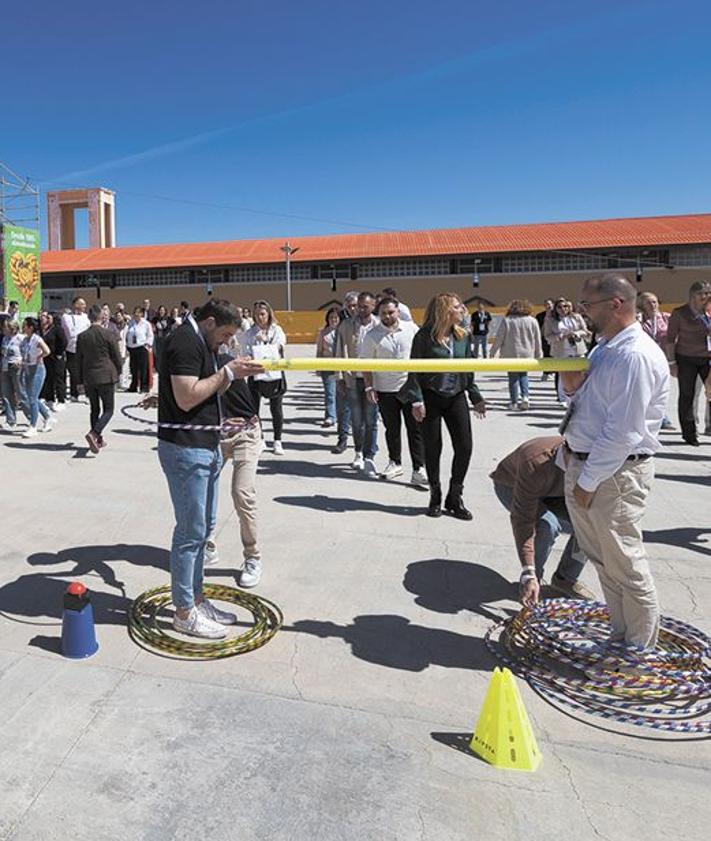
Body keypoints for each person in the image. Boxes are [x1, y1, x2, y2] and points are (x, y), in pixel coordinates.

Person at [560, 273, 669, 660]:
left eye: (588, 305)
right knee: (605, 562)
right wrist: (570, 385)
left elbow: (623, 431)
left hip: (613, 474)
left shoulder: (634, 354)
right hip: (586, 465)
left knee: (626, 563)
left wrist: (588, 481)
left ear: (616, 304)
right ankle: (621, 636)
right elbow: (586, 402)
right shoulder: (605, 347)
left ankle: (639, 650)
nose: (582, 312)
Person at [157, 298, 263, 639]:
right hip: (186, 450)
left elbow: (208, 390)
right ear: (210, 322)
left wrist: (232, 374)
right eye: (225, 334)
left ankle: (197, 599)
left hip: (205, 446)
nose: (226, 341)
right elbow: (187, 396)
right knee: (190, 532)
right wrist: (227, 372)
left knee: (202, 532)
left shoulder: (200, 340)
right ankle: (184, 612)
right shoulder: (186, 341)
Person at [405, 292, 487, 519]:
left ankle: (455, 495)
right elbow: (414, 371)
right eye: (458, 306)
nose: (462, 310)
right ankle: (435, 494)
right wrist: (416, 400)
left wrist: (475, 396)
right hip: (431, 397)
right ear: (445, 311)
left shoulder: (463, 336)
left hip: (456, 396)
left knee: (465, 446)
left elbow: (467, 369)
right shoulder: (423, 337)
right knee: (433, 448)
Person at [490, 436, 594, 604]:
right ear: (567, 454)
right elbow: (523, 521)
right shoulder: (535, 462)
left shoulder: (593, 463)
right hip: (511, 485)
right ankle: (532, 582)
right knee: (547, 525)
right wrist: (528, 570)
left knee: (590, 524)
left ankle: (565, 579)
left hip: (556, 491)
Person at [205, 350, 263, 587]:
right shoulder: (191, 365)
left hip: (245, 434)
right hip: (213, 436)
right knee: (203, 490)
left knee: (242, 494)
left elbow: (217, 387)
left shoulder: (225, 362)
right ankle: (208, 545)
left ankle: (253, 557)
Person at [361, 296, 426, 485]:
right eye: (383, 313)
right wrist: (369, 386)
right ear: (378, 314)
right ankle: (395, 462)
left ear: (398, 311)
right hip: (384, 389)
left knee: (415, 429)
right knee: (392, 429)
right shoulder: (371, 335)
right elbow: (365, 363)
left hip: (410, 388)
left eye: (391, 312)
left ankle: (418, 468)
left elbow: (422, 357)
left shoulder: (411, 329)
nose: (388, 316)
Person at [334, 291, 380, 475]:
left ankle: (370, 456)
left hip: (374, 380)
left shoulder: (379, 325)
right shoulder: (347, 325)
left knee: (371, 420)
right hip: (353, 379)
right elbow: (339, 350)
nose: (360, 309)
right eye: (358, 306)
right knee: (357, 419)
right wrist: (340, 377)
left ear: (373, 306)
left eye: (364, 306)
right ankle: (358, 452)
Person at [665, 280, 711, 446]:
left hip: (708, 359)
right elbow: (670, 339)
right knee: (687, 395)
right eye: (702, 293)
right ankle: (689, 433)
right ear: (693, 295)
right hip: (686, 358)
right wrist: (672, 362)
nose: (706, 297)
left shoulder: (709, 312)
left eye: (708, 293)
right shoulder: (680, 313)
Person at [242, 300, 288, 455]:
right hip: (256, 374)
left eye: (262, 314)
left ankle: (277, 440)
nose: (260, 317)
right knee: (254, 408)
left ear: (268, 314)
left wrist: (266, 341)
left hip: (274, 374)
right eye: (257, 315)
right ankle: (259, 438)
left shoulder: (277, 330)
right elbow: (246, 350)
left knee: (276, 408)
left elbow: (280, 346)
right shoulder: (249, 332)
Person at [76, 304, 122, 453]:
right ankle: (94, 433)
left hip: (90, 376)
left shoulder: (82, 336)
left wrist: (79, 380)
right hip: (106, 375)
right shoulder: (108, 334)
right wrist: (119, 371)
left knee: (94, 409)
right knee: (109, 409)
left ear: (89, 318)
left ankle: (98, 439)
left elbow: (78, 360)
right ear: (101, 317)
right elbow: (116, 355)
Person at [490, 299, 542, 410]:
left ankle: (513, 402)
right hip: (527, 353)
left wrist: (492, 352)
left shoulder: (507, 320)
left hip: (510, 353)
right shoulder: (532, 320)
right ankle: (525, 397)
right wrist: (539, 354)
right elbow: (537, 339)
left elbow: (499, 338)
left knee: (513, 377)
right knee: (523, 375)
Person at [544, 297, 591, 405]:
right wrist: (560, 336)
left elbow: (585, 331)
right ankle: (563, 398)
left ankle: (580, 396)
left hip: (577, 348)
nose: (563, 309)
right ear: (555, 309)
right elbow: (547, 336)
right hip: (561, 350)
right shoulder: (550, 320)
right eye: (559, 307)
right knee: (563, 375)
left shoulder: (576, 317)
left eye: (565, 306)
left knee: (581, 373)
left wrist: (577, 333)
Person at [638, 292, 674, 430]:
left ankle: (662, 417)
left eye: (654, 301)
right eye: (648, 302)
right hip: (647, 358)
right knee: (649, 389)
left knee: (662, 389)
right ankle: (660, 418)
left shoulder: (667, 318)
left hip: (664, 358)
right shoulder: (640, 321)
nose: (652, 305)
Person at [331, 292, 358, 454]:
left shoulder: (370, 322)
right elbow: (338, 350)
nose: (353, 309)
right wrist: (338, 376)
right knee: (343, 409)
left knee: (363, 412)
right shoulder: (342, 323)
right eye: (350, 306)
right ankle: (342, 439)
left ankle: (363, 446)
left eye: (356, 305)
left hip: (363, 375)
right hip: (345, 373)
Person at [19, 317, 54, 438]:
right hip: (28, 369)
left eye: (25, 325)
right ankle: (48, 417)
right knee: (32, 397)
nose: (23, 327)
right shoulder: (25, 340)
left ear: (31, 327)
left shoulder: (36, 339)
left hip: (37, 370)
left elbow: (47, 351)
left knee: (33, 398)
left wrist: (40, 357)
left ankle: (33, 426)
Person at [61, 296, 90, 401]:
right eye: (82, 304)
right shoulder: (67, 317)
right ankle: (74, 393)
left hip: (85, 348)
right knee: (74, 372)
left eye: (84, 304)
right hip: (71, 348)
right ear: (75, 305)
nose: (84, 306)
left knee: (85, 371)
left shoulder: (86, 317)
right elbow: (69, 332)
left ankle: (86, 393)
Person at [315, 307, 340, 427]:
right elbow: (319, 350)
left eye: (336, 317)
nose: (333, 320)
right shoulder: (323, 333)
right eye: (331, 317)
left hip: (341, 365)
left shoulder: (343, 332)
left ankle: (335, 414)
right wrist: (318, 366)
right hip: (327, 365)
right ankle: (331, 416)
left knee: (340, 393)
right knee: (330, 392)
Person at [1, 320, 27, 430]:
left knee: (21, 393)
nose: (3, 329)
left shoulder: (21, 338)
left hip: (16, 368)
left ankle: (32, 417)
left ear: (12, 328)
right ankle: (11, 420)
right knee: (6, 395)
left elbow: (27, 351)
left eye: (5, 327)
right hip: (5, 367)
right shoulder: (4, 338)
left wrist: (21, 360)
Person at [39, 311, 67, 412]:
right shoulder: (46, 329)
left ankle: (61, 400)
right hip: (47, 358)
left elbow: (63, 342)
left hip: (57, 358)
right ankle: (49, 399)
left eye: (49, 317)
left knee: (58, 379)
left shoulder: (58, 329)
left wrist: (59, 353)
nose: (47, 319)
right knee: (48, 379)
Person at [126, 306, 153, 393]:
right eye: (134, 312)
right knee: (133, 368)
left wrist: (147, 345)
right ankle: (133, 386)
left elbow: (150, 335)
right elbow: (127, 334)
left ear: (141, 314)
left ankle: (144, 386)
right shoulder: (131, 323)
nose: (136, 314)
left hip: (142, 347)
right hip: (132, 348)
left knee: (143, 368)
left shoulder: (146, 324)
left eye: (137, 312)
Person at [151, 305, 174, 371]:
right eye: (160, 310)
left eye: (163, 310)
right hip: (158, 339)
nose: (161, 311)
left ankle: (167, 368)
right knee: (158, 355)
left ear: (165, 311)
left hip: (167, 339)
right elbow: (151, 325)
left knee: (167, 354)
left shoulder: (169, 318)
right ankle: (158, 369)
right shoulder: (155, 319)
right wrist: (153, 328)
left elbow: (176, 324)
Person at [536, 299, 554, 379]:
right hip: (544, 338)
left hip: (554, 338)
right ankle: (546, 372)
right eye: (546, 304)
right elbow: (537, 327)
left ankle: (553, 371)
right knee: (546, 354)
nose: (548, 306)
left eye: (549, 304)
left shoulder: (556, 315)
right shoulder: (540, 315)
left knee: (553, 355)